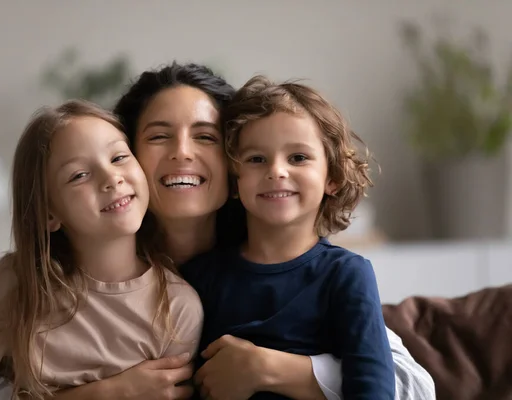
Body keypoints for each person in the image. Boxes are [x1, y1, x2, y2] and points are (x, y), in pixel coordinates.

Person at [113, 62, 435, 400]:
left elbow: (410, 387)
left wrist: (268, 369)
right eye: (159, 136)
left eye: (205, 136)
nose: (182, 151)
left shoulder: (341, 273)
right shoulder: (173, 277)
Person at [0, 100, 203, 400]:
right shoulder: (17, 283)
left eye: (118, 157)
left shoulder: (177, 307)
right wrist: (110, 392)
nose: (110, 178)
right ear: (49, 214)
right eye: (79, 175)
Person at [182, 75, 395, 399]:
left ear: (333, 177)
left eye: (298, 158)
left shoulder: (347, 275)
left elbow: (373, 388)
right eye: (256, 159)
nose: (276, 171)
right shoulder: (201, 277)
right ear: (235, 180)